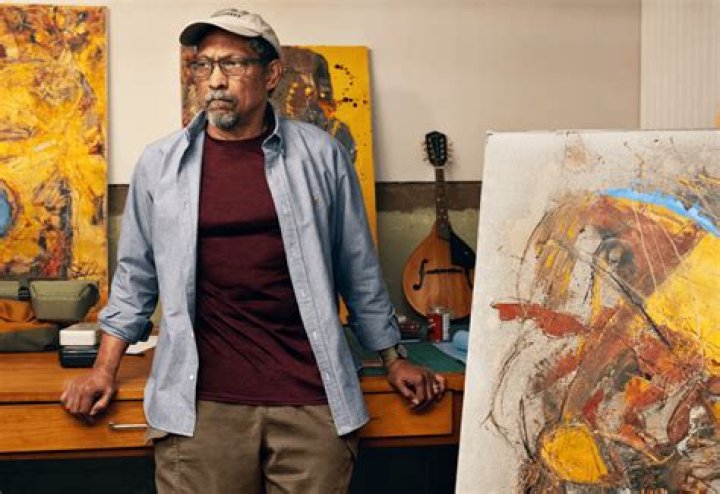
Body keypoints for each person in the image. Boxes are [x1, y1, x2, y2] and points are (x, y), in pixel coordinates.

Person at [61, 8, 445, 493]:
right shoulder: (160, 164)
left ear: (271, 74)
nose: (215, 80)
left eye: (233, 64)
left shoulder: (321, 156)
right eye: (203, 65)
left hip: (312, 400)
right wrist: (103, 370)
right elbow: (136, 278)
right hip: (202, 408)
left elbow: (359, 270)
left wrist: (393, 359)